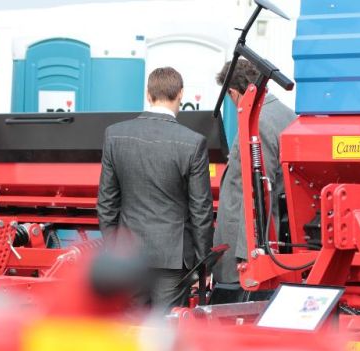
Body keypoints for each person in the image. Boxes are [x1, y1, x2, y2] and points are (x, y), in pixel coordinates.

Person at [97, 67, 214, 311]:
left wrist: (114, 249)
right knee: (163, 331)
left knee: (129, 327)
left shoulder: (115, 135)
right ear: (180, 94)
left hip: (128, 254)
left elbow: (107, 203)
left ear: (148, 95)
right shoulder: (193, 143)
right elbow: (201, 209)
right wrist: (204, 263)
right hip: (172, 257)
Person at [212, 59, 296, 303]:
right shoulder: (287, 115)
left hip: (249, 252)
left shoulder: (258, 122)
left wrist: (246, 254)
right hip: (276, 240)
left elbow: (258, 191)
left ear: (233, 92)